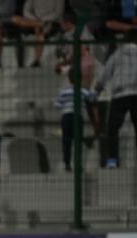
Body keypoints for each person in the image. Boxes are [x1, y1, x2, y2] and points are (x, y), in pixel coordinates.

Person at [93, 33, 137, 169]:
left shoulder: (117, 54)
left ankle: (113, 160)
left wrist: (97, 89)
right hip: (136, 94)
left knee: (112, 129)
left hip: (119, 95)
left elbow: (104, 74)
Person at [10, 0, 64, 68]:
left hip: (50, 21)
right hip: (34, 20)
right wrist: (35, 20)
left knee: (40, 33)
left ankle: (37, 60)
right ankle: (20, 63)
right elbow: (26, 9)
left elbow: (58, 12)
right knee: (15, 19)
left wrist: (43, 19)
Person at [54, 70, 100, 171]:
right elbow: (92, 98)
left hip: (66, 117)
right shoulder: (82, 90)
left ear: (69, 79)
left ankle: (67, 163)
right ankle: (78, 164)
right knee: (78, 140)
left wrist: (65, 105)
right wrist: (97, 89)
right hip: (77, 116)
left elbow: (57, 105)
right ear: (80, 79)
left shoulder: (63, 92)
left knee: (66, 140)